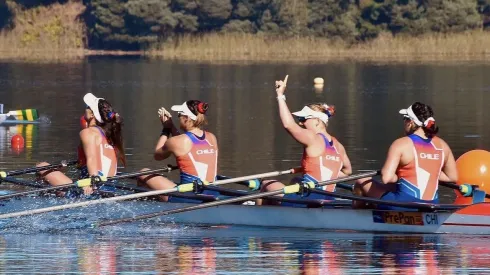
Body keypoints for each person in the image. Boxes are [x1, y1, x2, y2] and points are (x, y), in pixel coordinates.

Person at [257, 75, 352, 206]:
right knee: (296, 179)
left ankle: (261, 218)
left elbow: (288, 125)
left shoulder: (313, 138)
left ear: (318, 122)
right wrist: (320, 167)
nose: (301, 124)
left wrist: (280, 95)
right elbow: (347, 172)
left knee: (266, 184)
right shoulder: (338, 146)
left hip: (308, 199)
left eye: (303, 119)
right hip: (328, 201)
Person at [353, 102, 458, 209]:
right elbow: (453, 177)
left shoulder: (401, 144)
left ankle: (358, 216)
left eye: (405, 118)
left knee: (361, 181)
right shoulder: (443, 146)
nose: (404, 122)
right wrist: (429, 171)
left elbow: (386, 178)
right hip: (433, 205)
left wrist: (400, 175)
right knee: (393, 186)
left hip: (403, 205)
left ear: (411, 122)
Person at [37, 93, 125, 195]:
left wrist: (92, 182)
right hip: (111, 188)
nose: (85, 108)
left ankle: (45, 197)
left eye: (88, 107)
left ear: (92, 115)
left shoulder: (88, 132)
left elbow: (92, 158)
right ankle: (57, 194)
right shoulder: (110, 136)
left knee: (41, 166)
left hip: (92, 189)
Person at [137, 100, 218, 202]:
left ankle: (144, 206)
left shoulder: (178, 141)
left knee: (143, 173)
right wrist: (171, 126)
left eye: (179, 114)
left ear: (186, 118)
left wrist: (166, 129)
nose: (178, 117)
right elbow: (185, 143)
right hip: (213, 191)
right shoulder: (211, 138)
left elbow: (157, 155)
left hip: (188, 196)